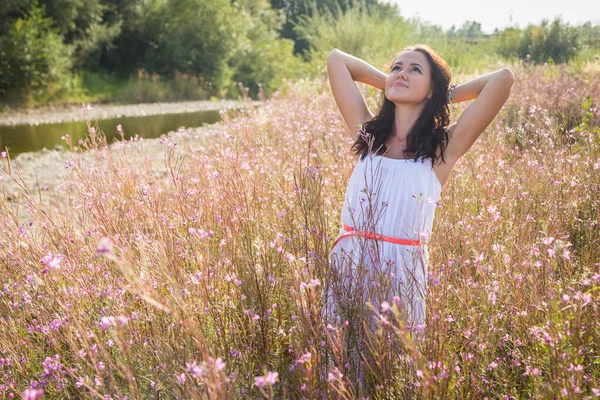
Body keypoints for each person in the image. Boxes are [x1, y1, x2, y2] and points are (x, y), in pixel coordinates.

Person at [324, 44, 514, 383]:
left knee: (392, 374)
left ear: (433, 90)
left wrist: (439, 95)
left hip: (402, 273)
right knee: (342, 371)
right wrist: (393, 82)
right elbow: (337, 60)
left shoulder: (442, 150)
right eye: (397, 66)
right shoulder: (368, 135)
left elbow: (502, 79)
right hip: (350, 263)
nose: (401, 72)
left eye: (415, 70)